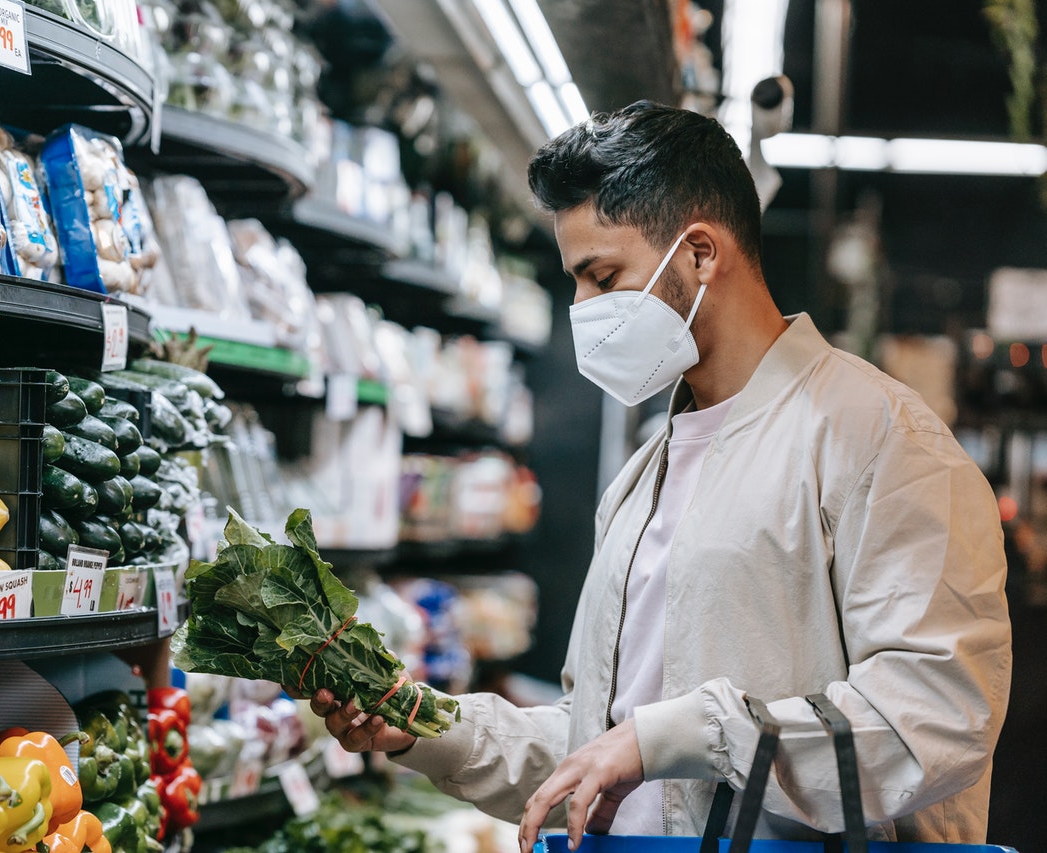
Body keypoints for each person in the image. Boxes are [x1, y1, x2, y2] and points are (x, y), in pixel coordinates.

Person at [309, 100, 1012, 853]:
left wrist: (684, 733)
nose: (580, 309)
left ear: (700, 254)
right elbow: (599, 743)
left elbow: (934, 717)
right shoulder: (645, 474)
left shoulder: (878, 441)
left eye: (601, 275)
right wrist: (425, 726)